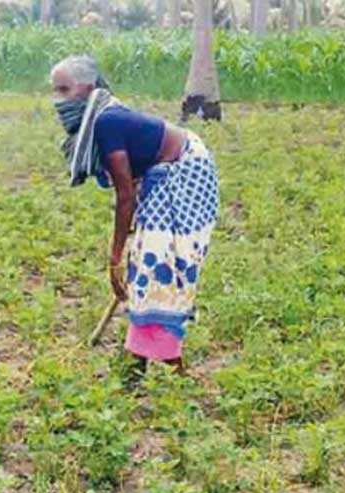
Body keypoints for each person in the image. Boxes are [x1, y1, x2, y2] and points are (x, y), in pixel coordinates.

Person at [50, 56, 219, 373]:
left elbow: (125, 194)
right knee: (147, 264)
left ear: (87, 88)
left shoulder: (105, 121)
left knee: (160, 265)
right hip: (164, 172)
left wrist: (114, 256)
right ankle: (140, 359)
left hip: (187, 171)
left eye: (64, 89)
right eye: (55, 91)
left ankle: (167, 362)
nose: (58, 100)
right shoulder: (100, 114)